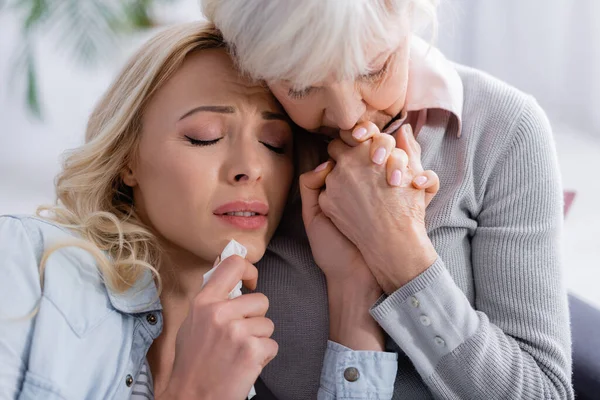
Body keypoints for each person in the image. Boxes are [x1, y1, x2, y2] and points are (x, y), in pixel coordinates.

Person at [0, 21, 438, 400]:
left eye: (274, 145)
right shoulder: (27, 262)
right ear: (127, 159)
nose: (250, 168)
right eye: (204, 136)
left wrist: (352, 289)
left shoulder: (259, 358)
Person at [202, 0, 574, 399]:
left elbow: (545, 392)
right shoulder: (238, 152)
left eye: (373, 69)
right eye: (300, 85)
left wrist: (397, 247)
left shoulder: (504, 129)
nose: (347, 116)